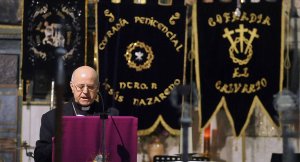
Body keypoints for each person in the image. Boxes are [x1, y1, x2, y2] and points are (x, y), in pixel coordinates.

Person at [34, 66, 102, 162]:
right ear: (72, 86)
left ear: (97, 87)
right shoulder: (51, 118)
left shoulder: (110, 115)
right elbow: (40, 157)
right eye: (81, 86)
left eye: (90, 87)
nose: (85, 92)